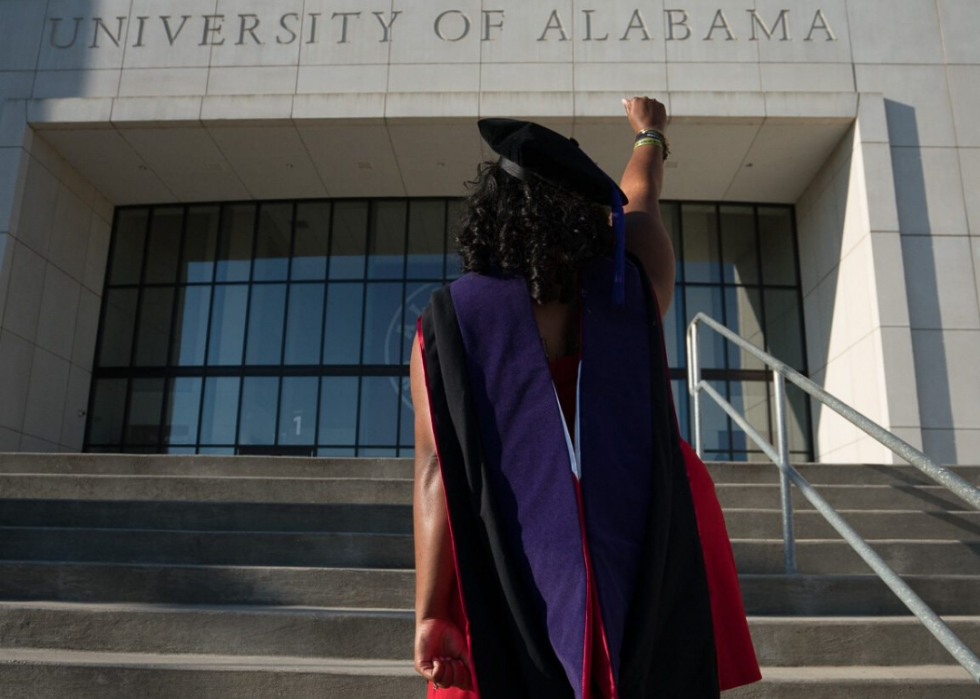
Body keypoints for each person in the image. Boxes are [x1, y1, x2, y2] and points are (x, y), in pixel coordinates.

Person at [410, 97, 762, 698]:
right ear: (586, 217)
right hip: (651, 520)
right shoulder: (631, 278)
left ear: (489, 217)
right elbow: (640, 195)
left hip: (516, 544)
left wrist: (431, 609)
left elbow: (437, 475)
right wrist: (649, 133)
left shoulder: (449, 323)